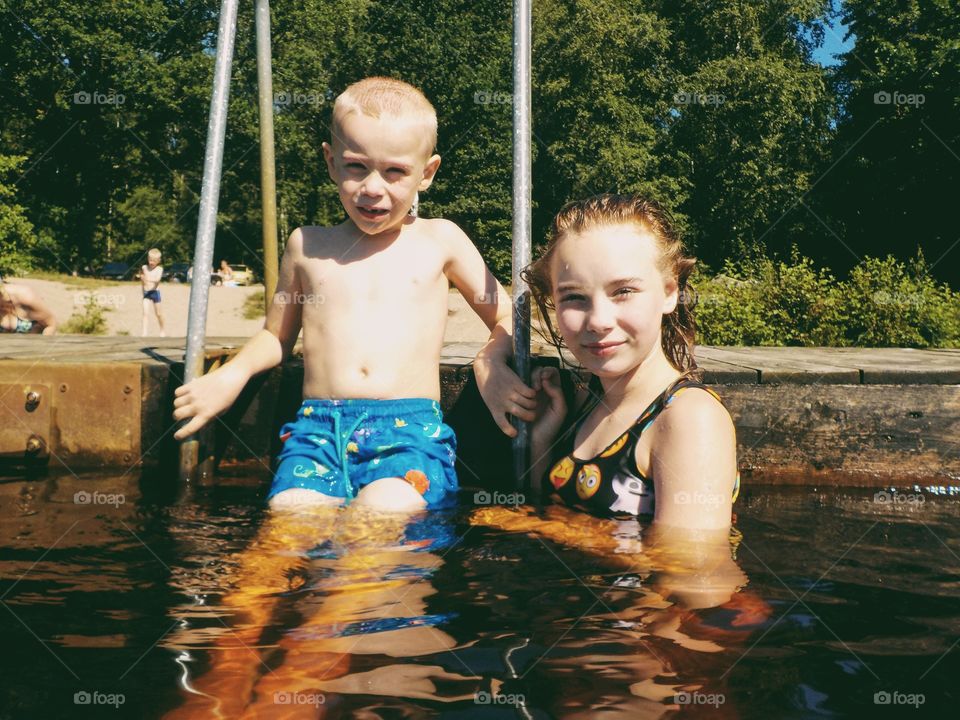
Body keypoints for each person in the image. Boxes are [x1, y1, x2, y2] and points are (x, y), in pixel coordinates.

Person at [173, 76, 534, 512]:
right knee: (290, 512)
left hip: (408, 430)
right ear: (331, 162)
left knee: (388, 511)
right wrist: (230, 376)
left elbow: (508, 317)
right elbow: (277, 337)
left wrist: (490, 362)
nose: (372, 188)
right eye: (356, 166)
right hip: (317, 431)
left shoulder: (441, 241)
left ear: (428, 173)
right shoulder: (307, 245)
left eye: (395, 171)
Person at [523, 193, 739, 530]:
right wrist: (542, 440)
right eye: (574, 297)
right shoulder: (585, 403)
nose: (598, 320)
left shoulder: (688, 418)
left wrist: (545, 529)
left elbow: (692, 571)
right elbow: (542, 511)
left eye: (623, 291)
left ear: (669, 293)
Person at [140, 248, 166, 337]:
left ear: (158, 261)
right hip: (146, 293)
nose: (151, 262)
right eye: (150, 260)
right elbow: (143, 281)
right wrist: (143, 282)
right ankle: (144, 332)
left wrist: (146, 279)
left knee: (158, 314)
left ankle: (162, 330)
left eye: (154, 261)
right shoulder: (144, 267)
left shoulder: (159, 269)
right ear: (148, 258)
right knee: (145, 313)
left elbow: (157, 280)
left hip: (155, 292)